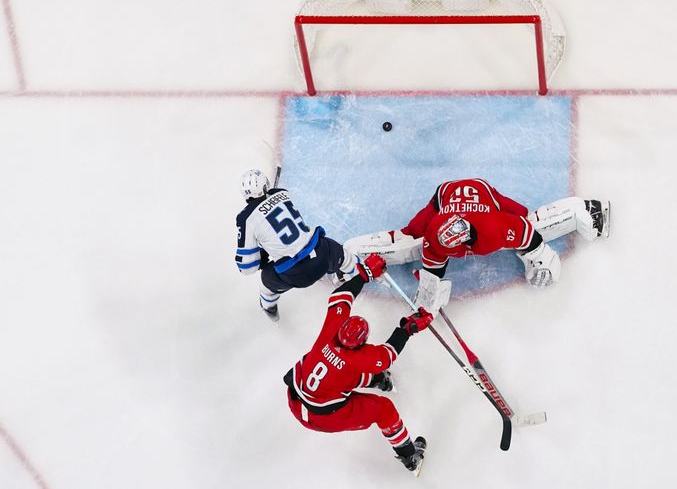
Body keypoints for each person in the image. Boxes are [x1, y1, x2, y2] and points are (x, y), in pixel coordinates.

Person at [284, 253, 433, 475]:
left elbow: (341, 295)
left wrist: (364, 274)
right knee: (384, 409)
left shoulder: (332, 330)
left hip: (298, 398)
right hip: (323, 416)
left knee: (342, 375)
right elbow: (387, 354)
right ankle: (409, 456)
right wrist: (407, 328)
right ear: (362, 342)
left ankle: (378, 381)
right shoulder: (360, 358)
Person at [345, 177, 610, 289]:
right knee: (410, 236)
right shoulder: (435, 235)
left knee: (526, 216)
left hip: (484, 192)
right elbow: (433, 270)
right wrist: (428, 292)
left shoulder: (494, 229)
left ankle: (584, 209)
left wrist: (544, 262)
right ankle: (351, 254)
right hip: (445, 193)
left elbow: (529, 235)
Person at [235, 169, 360, 321]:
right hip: (321, 257)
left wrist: (262, 255)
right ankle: (356, 273)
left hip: (294, 276)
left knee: (266, 283)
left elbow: (247, 268)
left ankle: (271, 313)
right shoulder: (282, 194)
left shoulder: (246, 219)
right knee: (339, 252)